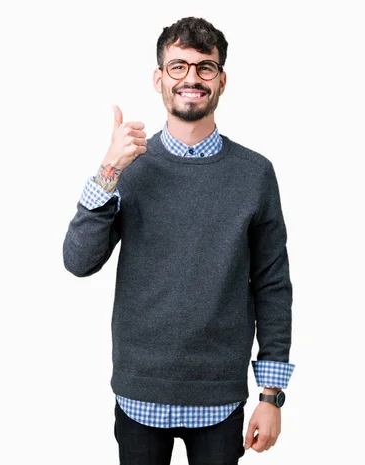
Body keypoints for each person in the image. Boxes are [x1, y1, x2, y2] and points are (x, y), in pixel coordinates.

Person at [63, 16, 295, 465]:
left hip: (219, 396)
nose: (192, 77)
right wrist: (108, 170)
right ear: (159, 78)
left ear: (221, 80)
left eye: (205, 67)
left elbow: (272, 285)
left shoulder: (255, 174)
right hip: (139, 391)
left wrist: (271, 395)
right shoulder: (130, 168)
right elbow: (78, 260)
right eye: (179, 66)